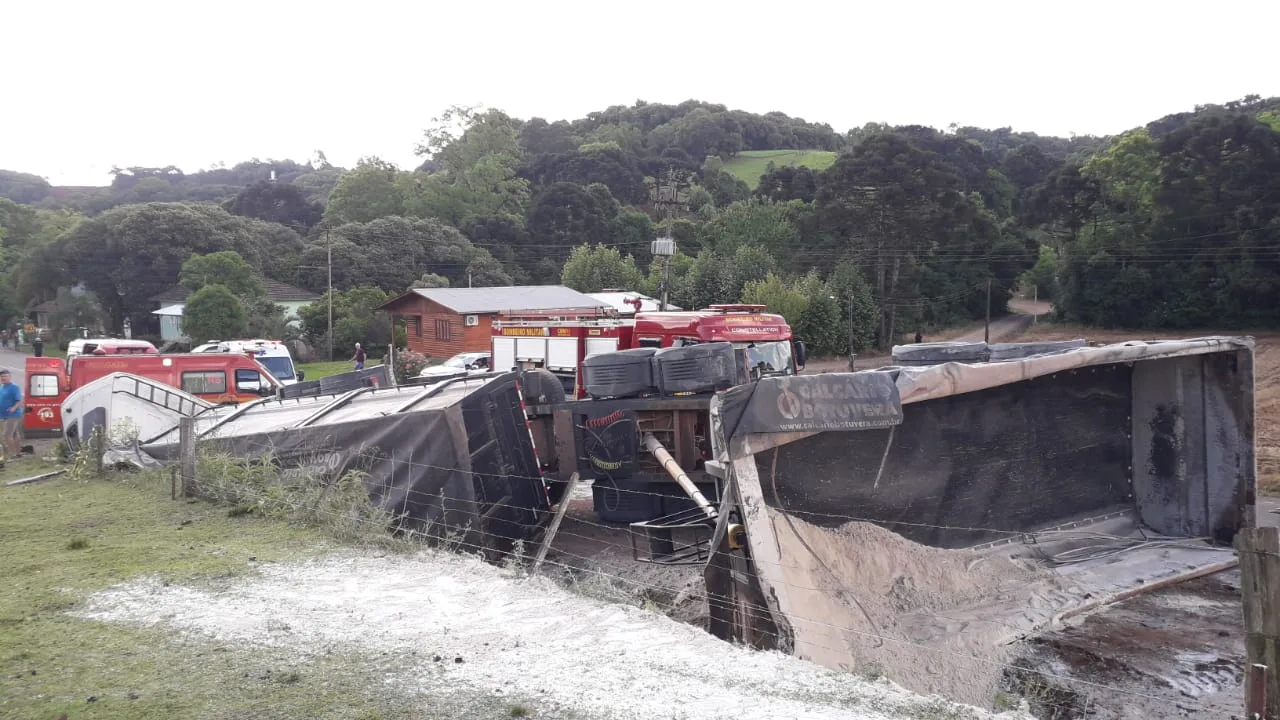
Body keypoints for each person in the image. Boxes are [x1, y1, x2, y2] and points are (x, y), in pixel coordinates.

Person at [0, 369, 23, 467]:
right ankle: (17, 453)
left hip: (13, 415)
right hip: (4, 415)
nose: (3, 378)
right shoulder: (2, 387)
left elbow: (20, 400)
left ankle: (12, 455)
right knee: (14, 434)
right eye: (1, 377)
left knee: (7, 435)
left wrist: (14, 408)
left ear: (9, 377)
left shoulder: (14, 387)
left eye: (5, 376)